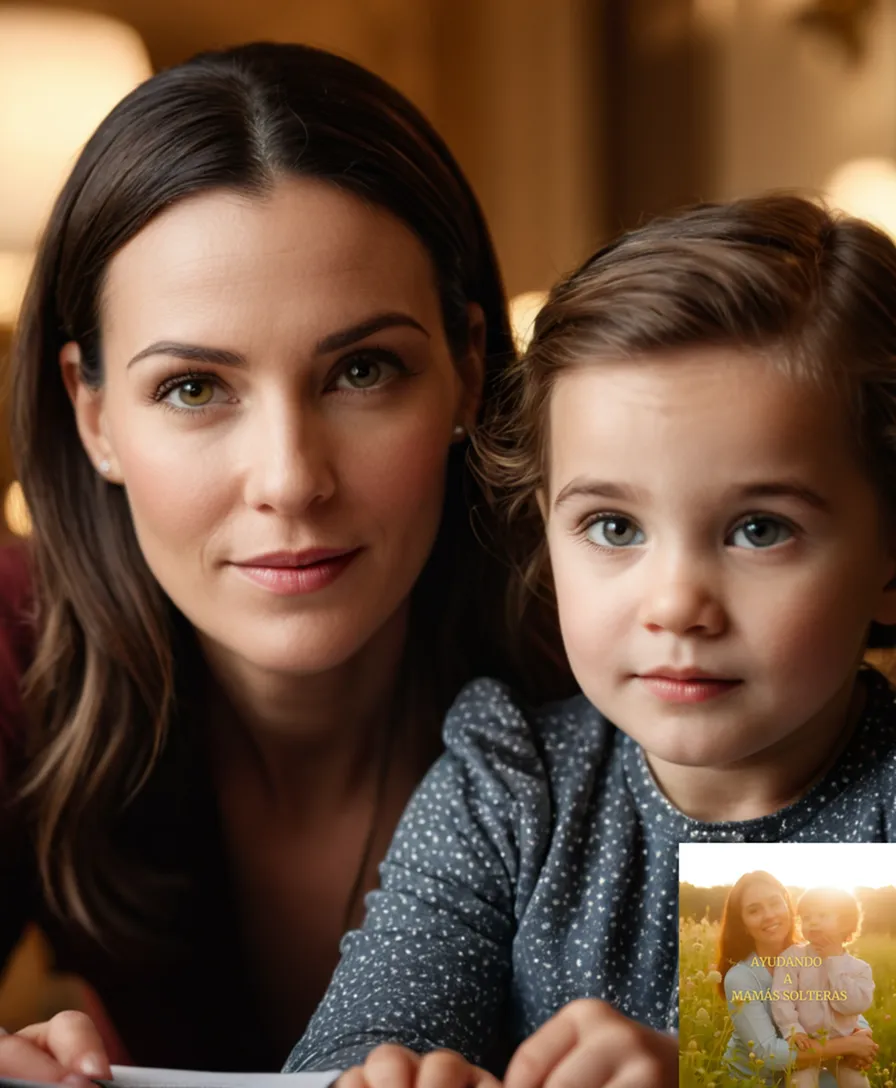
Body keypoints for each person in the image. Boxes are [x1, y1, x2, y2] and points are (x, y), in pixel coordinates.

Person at [0, 41, 573, 1083]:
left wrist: (713, 1072)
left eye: (362, 370)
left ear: (466, 369)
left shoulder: (649, 626)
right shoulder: (15, 640)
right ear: (93, 413)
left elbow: (833, 1050)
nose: (290, 478)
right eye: (192, 387)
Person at [283, 194, 896, 1088]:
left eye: (759, 530)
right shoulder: (509, 787)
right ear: (547, 534)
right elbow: (366, 1040)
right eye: (613, 528)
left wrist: (707, 1076)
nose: (678, 605)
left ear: (889, 557)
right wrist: (388, 1076)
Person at [719, 872, 877, 1086]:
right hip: (756, 1079)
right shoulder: (741, 978)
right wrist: (849, 1045)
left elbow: (837, 1002)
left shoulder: (815, 954)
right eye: (754, 910)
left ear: (788, 907)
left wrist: (861, 1033)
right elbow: (768, 1053)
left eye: (775, 903)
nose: (769, 915)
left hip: (807, 1065)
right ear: (744, 924)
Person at [770, 887, 874, 1087]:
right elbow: (782, 997)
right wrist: (793, 1030)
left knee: (858, 1083)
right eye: (806, 917)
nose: (813, 922)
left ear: (845, 923)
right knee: (800, 1083)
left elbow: (852, 1006)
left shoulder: (859, 969)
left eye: (822, 915)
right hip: (807, 1044)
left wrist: (833, 962)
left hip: (844, 1049)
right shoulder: (792, 958)